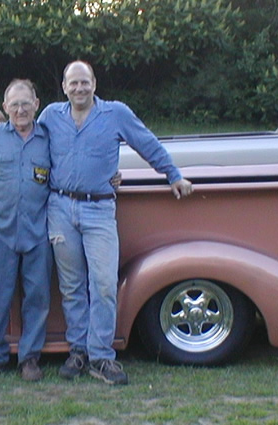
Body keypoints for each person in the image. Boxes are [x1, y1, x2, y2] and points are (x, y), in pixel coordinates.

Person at [39, 61, 193, 385]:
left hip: (99, 209)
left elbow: (147, 143)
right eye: (73, 83)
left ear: (94, 83)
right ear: (64, 86)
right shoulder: (51, 116)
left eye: (85, 82)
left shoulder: (115, 113)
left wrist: (173, 175)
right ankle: (78, 351)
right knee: (71, 287)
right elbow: (32, 151)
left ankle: (101, 356)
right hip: (60, 207)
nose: (79, 88)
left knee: (105, 285)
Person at [0, 79, 52, 381]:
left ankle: (29, 359)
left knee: (37, 298)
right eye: (14, 104)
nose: (20, 110)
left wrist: (111, 177)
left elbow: (70, 170)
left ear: (36, 105)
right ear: (5, 107)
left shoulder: (48, 138)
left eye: (26, 104)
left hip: (38, 232)